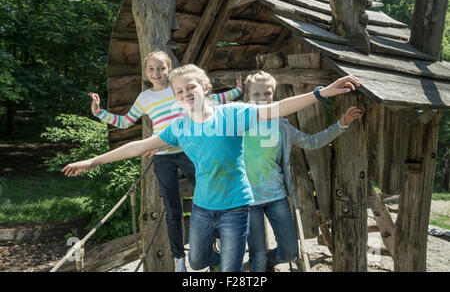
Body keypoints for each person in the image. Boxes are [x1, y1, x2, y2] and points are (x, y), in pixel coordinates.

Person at [62, 64, 360, 272]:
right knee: (196, 262)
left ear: (205, 87)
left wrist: (323, 92)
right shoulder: (179, 126)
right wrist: (93, 161)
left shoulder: (233, 114)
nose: (185, 94)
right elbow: (138, 146)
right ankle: (218, 253)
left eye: (190, 87)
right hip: (204, 207)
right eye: (178, 91)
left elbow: (277, 109)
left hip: (236, 207)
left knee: (231, 269)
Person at [88, 51, 244, 272]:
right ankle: (179, 258)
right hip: (162, 156)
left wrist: (238, 91)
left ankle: (217, 238)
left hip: (190, 150)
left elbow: (214, 100)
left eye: (161, 68)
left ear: (169, 68)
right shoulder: (145, 98)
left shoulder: (179, 90)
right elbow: (124, 122)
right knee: (172, 210)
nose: (156, 73)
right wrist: (100, 113)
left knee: (210, 195)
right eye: (151, 69)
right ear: (145, 72)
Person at [243, 71, 362, 272]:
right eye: (256, 94)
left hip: (276, 197)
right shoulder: (237, 124)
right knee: (257, 256)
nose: (263, 99)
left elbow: (311, 142)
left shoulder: (282, 126)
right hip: (246, 200)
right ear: (246, 96)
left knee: (290, 252)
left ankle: (266, 262)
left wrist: (341, 125)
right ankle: (258, 263)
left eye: (267, 94)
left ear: (274, 95)